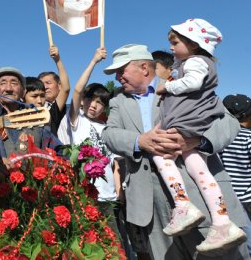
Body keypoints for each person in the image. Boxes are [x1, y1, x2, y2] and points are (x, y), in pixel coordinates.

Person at [101, 44, 249, 259]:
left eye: (121, 70)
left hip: (201, 199)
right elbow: (109, 135)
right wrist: (139, 141)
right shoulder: (118, 101)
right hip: (151, 208)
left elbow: (227, 122)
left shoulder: (182, 85)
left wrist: (197, 141)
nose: (117, 77)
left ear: (144, 67)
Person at [151, 19, 245, 253]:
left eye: (175, 42)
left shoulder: (195, 62)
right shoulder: (194, 62)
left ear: (193, 44)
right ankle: (222, 222)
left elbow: (192, 83)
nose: (171, 48)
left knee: (161, 156)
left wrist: (167, 87)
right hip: (190, 125)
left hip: (186, 123)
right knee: (198, 169)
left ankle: (182, 205)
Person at [56, 48, 122, 234]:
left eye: (100, 102)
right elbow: (76, 90)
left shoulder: (107, 129)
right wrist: (94, 61)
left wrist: (118, 189)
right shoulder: (76, 121)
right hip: (85, 194)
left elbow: (115, 163)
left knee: (114, 243)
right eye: (91, 100)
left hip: (109, 196)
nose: (94, 105)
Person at [220, 94, 251, 254]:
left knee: (242, 237)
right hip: (248, 196)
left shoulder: (222, 138)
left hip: (229, 197)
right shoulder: (248, 138)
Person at [37, 45, 70, 135]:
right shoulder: (34, 108)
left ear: (59, 85)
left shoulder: (71, 110)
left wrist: (57, 60)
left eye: (48, 83)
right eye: (42, 84)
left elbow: (66, 88)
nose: (45, 87)